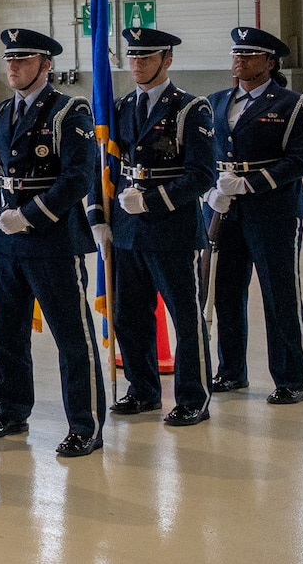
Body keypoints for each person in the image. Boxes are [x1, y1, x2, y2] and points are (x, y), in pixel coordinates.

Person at [0, 28, 107, 458]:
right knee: (6, 334)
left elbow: (78, 178)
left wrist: (29, 216)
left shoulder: (68, 111)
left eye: (24, 61)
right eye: (10, 60)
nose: (13, 67)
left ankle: (86, 424)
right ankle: (11, 409)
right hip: (7, 244)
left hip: (52, 242)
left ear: (46, 65)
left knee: (71, 336)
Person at [96, 27, 217, 426]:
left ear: (167, 60)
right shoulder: (121, 107)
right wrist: (102, 215)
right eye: (132, 58)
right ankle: (142, 389)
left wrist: (150, 200)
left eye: (146, 58)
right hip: (128, 231)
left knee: (185, 318)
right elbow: (107, 166)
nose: (137, 65)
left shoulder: (190, 109)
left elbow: (202, 175)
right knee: (130, 316)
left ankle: (193, 397)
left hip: (172, 229)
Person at [205, 26, 303, 404]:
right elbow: (205, 155)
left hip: (274, 212)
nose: (240, 61)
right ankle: (231, 370)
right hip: (225, 211)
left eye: (250, 55)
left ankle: (291, 379)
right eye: (237, 54)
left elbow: (299, 161)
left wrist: (250, 184)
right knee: (225, 292)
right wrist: (210, 189)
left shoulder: (292, 103)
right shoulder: (216, 101)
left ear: (270, 62)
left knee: (278, 294)